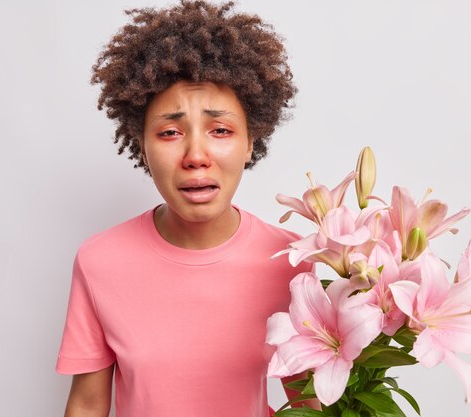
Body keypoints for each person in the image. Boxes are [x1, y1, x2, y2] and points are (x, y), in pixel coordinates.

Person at [55, 1, 321, 415]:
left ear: (251, 141)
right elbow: (88, 406)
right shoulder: (99, 261)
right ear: (141, 145)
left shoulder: (293, 263)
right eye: (170, 132)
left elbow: (308, 404)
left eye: (220, 130)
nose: (196, 154)